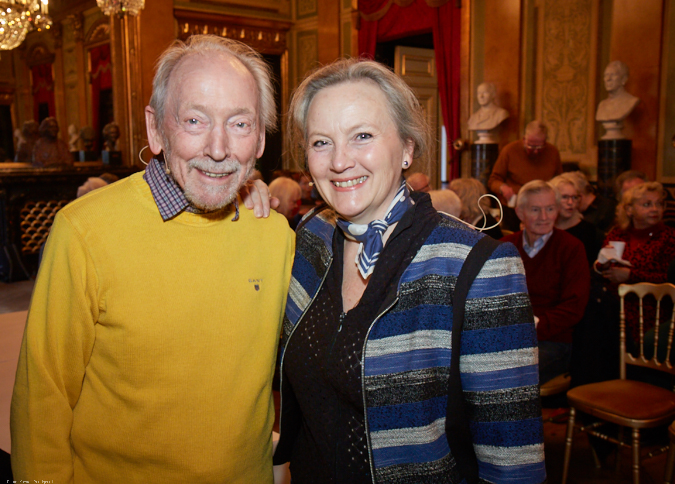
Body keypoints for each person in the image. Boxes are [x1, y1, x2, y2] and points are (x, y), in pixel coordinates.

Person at [11, 35, 293, 484]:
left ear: (259, 138)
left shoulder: (276, 235)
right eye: (195, 120)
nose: (218, 148)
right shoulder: (84, 232)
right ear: (156, 128)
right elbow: (42, 398)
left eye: (240, 124)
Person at [274, 58, 545, 483]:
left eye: (362, 136)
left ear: (406, 148)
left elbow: (513, 459)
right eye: (321, 142)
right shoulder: (312, 236)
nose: (339, 161)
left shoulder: (477, 266)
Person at [502, 180, 590, 385]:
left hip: (552, 340)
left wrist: (530, 329)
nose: (544, 217)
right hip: (508, 335)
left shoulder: (571, 248)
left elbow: (573, 307)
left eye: (550, 209)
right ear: (520, 213)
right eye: (535, 210)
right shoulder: (505, 247)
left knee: (510, 374)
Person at [599, 182, 675, 346]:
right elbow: (600, 266)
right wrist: (603, 266)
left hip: (652, 308)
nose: (655, 209)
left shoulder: (669, 238)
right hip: (614, 306)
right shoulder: (618, 233)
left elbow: (669, 279)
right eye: (647, 204)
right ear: (629, 210)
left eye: (659, 204)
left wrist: (631, 276)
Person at [488, 120, 562, 230]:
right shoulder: (509, 150)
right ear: (524, 139)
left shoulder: (553, 152)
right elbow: (493, 180)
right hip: (513, 208)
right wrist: (502, 187)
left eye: (539, 148)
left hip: (542, 207)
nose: (535, 152)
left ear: (545, 142)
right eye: (531, 147)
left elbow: (559, 180)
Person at [549, 174, 602, 267]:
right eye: (564, 197)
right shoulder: (543, 229)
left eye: (574, 197)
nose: (570, 202)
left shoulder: (589, 231)